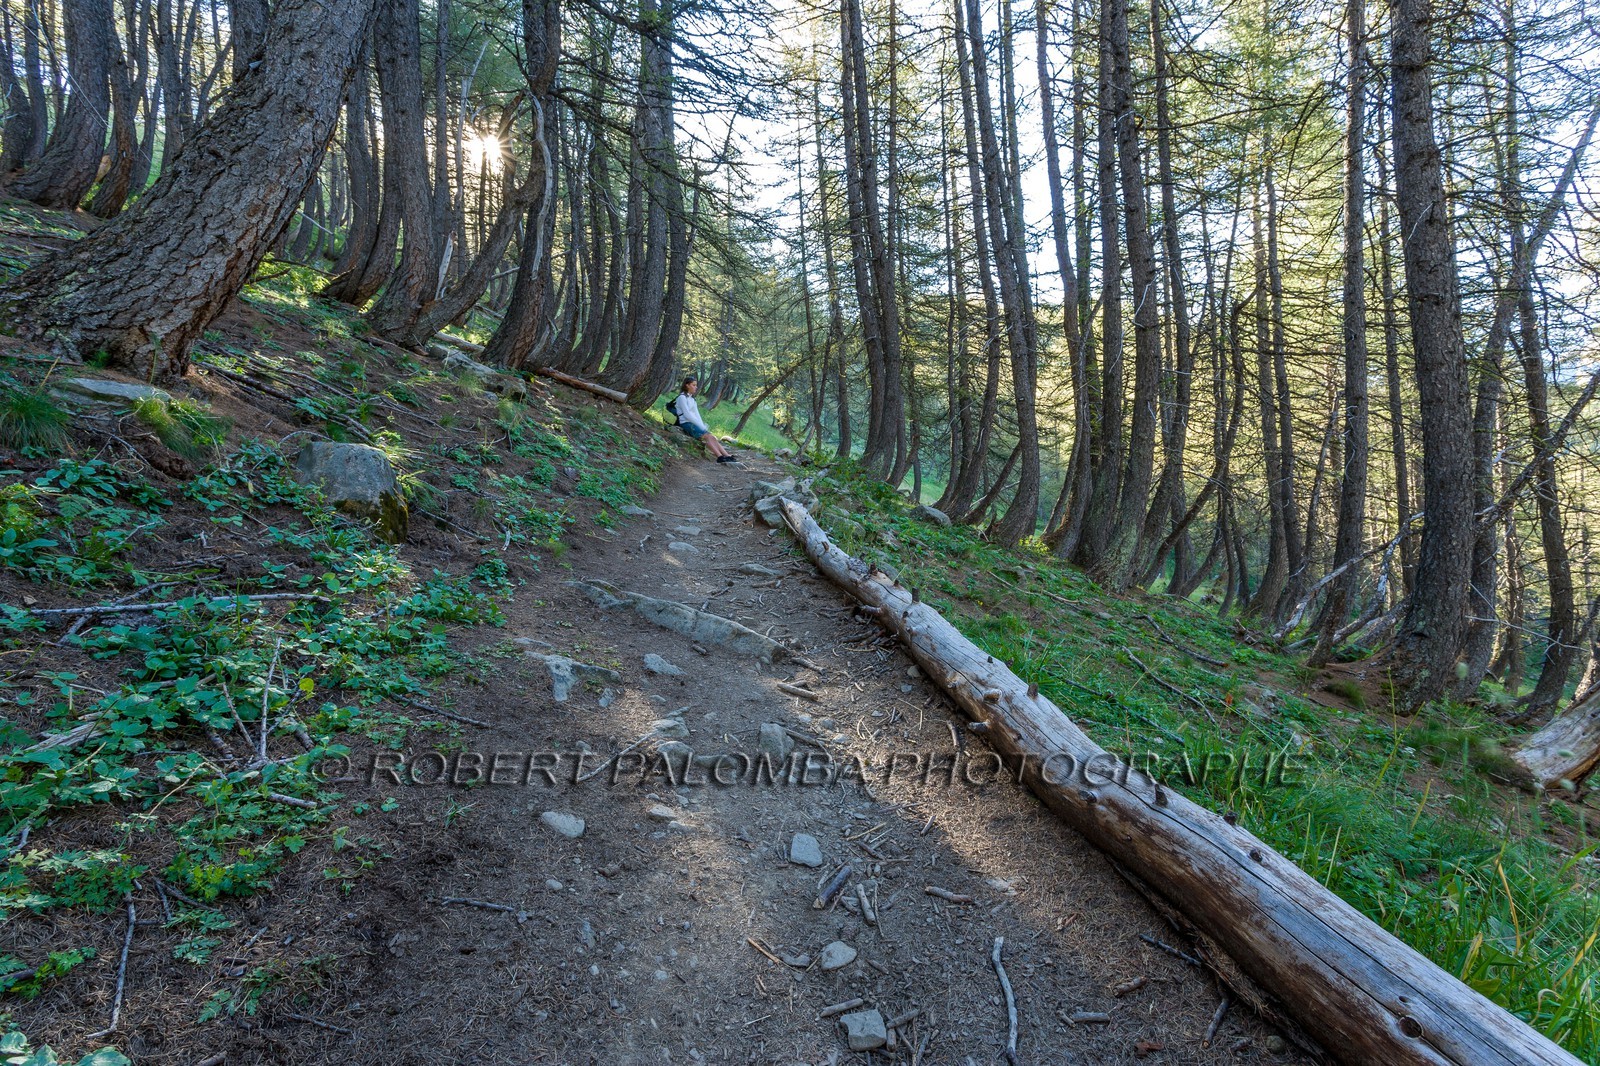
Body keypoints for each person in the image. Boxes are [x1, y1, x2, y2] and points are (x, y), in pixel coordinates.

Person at [667, 376, 738, 463]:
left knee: (712, 437)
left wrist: (702, 425)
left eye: (696, 385)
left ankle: (727, 455)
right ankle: (719, 457)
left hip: (693, 423)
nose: (696, 387)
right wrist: (700, 425)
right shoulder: (681, 398)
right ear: (687, 385)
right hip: (686, 423)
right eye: (693, 385)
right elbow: (687, 415)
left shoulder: (692, 399)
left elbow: (697, 414)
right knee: (708, 437)